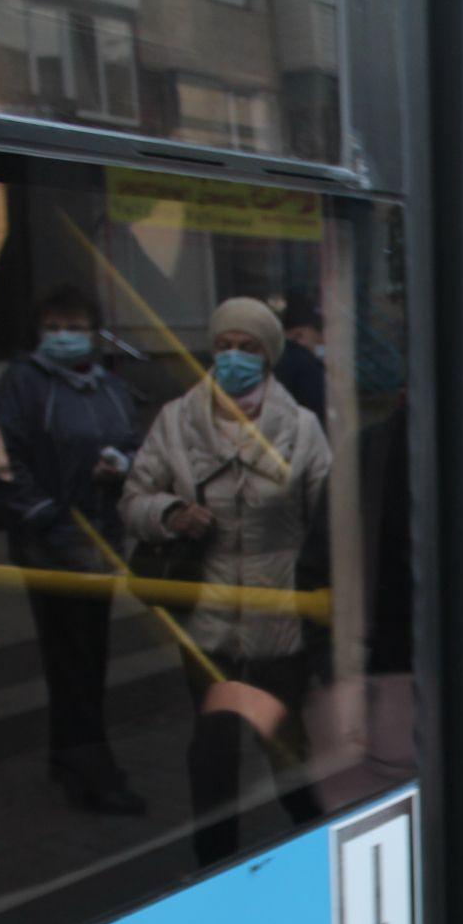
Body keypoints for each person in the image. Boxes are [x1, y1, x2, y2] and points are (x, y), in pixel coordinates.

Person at [121, 297, 330, 867]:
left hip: (279, 621)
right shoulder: (175, 421)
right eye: (224, 345)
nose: (233, 357)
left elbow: (329, 521)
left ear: (269, 356)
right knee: (213, 753)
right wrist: (169, 513)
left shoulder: (302, 429)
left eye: (248, 347)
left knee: (287, 748)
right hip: (206, 621)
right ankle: (214, 864)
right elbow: (133, 499)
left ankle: (316, 853)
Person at [0, 285, 147, 815]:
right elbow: (4, 464)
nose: (64, 336)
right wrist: (49, 520)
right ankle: (94, 771)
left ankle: (69, 756)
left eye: (75, 327)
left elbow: (132, 441)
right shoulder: (22, 384)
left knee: (88, 657)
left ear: (94, 334)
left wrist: (120, 465)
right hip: (52, 547)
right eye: (53, 327)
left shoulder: (109, 386)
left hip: (100, 542)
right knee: (73, 660)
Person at [276, 292, 329, 427]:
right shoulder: (305, 364)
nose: (323, 340)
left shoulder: (271, 357)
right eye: (319, 333)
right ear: (299, 334)